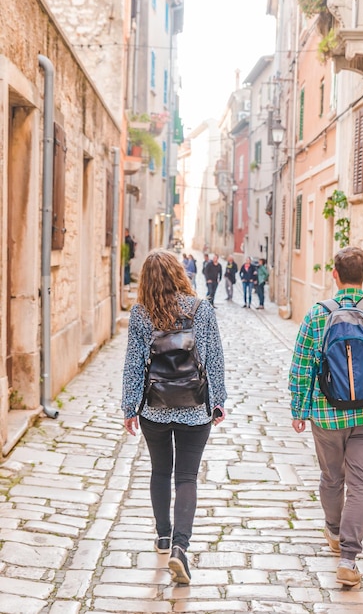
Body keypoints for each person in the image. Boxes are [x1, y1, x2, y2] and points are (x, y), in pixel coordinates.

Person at [289, 246, 363, 587]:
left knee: (331, 478)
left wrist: (299, 408)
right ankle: (349, 558)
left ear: (335, 275)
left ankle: (332, 530)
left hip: (326, 415)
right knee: (361, 484)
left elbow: (301, 367)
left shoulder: (316, 315)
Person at [121, 249, 226, 585]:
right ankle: (181, 547)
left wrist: (130, 407)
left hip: (155, 407)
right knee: (186, 478)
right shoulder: (201, 309)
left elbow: (134, 365)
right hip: (195, 409)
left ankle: (163, 536)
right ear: (180, 273)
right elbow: (214, 358)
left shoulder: (141, 314)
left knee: (159, 471)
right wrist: (217, 402)